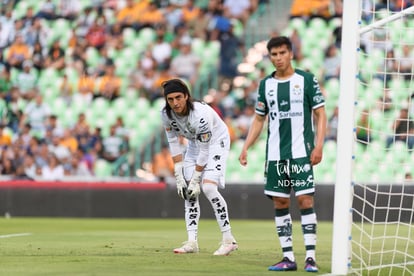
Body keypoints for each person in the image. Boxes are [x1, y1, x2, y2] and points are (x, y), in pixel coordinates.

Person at [238, 36, 327, 272]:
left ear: (291, 54)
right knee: (280, 201)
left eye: (282, 53)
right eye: (273, 54)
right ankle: (288, 257)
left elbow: (320, 114)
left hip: (301, 153)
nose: (278, 58)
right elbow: (259, 118)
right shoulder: (265, 85)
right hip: (275, 155)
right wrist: (246, 146)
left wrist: (319, 146)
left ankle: (310, 257)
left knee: (305, 199)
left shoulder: (306, 80)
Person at [160, 78, 238, 256]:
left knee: (208, 187)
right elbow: (173, 142)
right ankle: (192, 242)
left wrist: (196, 179)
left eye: (178, 97)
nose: (175, 103)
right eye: (170, 99)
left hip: (216, 142)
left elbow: (205, 151)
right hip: (195, 144)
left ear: (186, 96)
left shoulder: (200, 115)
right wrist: (179, 175)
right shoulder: (166, 115)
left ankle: (228, 239)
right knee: (189, 192)